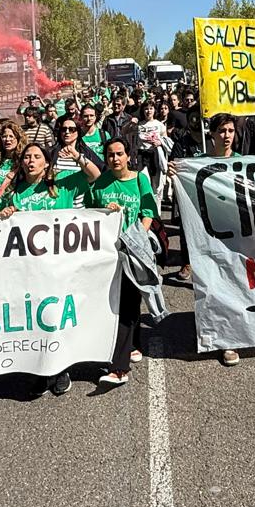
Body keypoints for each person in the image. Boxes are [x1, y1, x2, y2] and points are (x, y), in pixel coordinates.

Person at [0, 142, 102, 396]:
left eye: (37, 157)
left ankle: (60, 369)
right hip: (27, 269)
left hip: (60, 266)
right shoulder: (15, 191)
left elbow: (95, 175)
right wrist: (5, 213)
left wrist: (77, 156)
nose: (31, 161)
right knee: (34, 320)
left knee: (57, 317)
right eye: (27, 157)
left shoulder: (61, 184)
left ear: (46, 162)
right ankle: (39, 370)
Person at [167, 112, 241, 365]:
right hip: (207, 236)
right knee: (212, 287)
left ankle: (231, 338)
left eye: (230, 131)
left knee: (235, 286)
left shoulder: (245, 162)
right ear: (211, 134)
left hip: (236, 237)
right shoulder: (197, 163)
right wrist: (175, 171)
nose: (227, 136)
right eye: (222, 131)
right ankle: (218, 336)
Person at [91, 138, 159, 388]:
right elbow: (89, 216)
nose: (115, 159)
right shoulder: (100, 184)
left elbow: (149, 212)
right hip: (108, 253)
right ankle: (134, 344)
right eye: (110, 155)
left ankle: (119, 368)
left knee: (129, 301)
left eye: (119, 154)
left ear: (128, 156)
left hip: (132, 251)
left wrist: (135, 241)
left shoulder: (140, 179)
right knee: (121, 303)